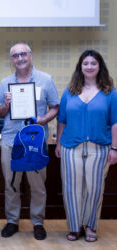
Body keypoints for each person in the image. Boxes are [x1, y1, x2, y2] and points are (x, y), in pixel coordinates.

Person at [0, 43, 59, 240]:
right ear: (11, 60)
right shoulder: (5, 82)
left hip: (35, 141)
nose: (20, 58)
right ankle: (13, 221)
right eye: (15, 56)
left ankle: (38, 222)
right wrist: (6, 105)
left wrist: (42, 120)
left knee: (37, 186)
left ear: (30, 56)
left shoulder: (45, 80)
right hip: (10, 140)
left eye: (23, 54)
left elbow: (55, 108)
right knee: (11, 184)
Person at [55, 50, 117, 242]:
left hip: (99, 148)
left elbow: (115, 123)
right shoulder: (69, 91)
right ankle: (74, 227)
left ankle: (91, 226)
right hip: (70, 147)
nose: (89, 67)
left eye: (93, 63)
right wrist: (58, 143)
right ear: (80, 67)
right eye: (85, 63)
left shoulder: (110, 93)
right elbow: (61, 120)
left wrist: (115, 149)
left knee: (95, 189)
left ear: (100, 67)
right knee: (71, 189)